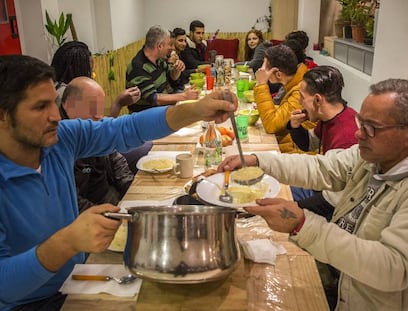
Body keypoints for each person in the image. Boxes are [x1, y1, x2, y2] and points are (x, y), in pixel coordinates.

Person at [0, 54, 237, 310]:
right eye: (39, 107)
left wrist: (195, 109)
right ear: (3, 116)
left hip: (78, 275)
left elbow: (125, 129)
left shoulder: (61, 140)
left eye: (53, 104)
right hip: (31, 302)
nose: (55, 116)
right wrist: (67, 241)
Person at [218, 78, 408, 311]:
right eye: (360, 123)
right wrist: (257, 161)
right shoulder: (372, 158)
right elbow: (321, 167)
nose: (359, 134)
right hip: (343, 279)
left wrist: (302, 224)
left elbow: (393, 267)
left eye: (371, 128)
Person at [288, 66, 358, 219]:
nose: (300, 102)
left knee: (283, 197)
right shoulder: (332, 117)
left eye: (302, 97)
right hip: (324, 188)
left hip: (335, 207)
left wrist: (293, 208)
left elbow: (332, 200)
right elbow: (309, 144)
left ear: (318, 99)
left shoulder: (347, 137)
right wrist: (295, 126)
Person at [60, 77, 134, 213]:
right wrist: (108, 215)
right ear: (68, 105)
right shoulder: (58, 142)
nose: (98, 115)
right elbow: (72, 202)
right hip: (88, 216)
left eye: (100, 107)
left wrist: (134, 193)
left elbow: (119, 165)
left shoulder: (96, 128)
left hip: (112, 199)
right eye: (91, 107)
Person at [254, 44, 316, 153]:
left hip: (298, 154)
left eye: (264, 66)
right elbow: (285, 111)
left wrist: (261, 84)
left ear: (278, 74)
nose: (261, 69)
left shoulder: (300, 92)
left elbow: (271, 125)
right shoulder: (298, 81)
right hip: (290, 144)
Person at [125, 25, 198, 113]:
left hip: (163, 108)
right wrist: (184, 96)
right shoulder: (138, 66)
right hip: (146, 115)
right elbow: (154, 99)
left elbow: (173, 78)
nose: (172, 48)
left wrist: (176, 69)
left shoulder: (158, 59)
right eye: (169, 44)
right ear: (159, 46)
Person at [51, 40, 141, 112]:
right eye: (89, 69)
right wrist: (119, 103)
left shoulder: (56, 87)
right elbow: (98, 130)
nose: (92, 74)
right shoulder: (67, 96)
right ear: (74, 69)